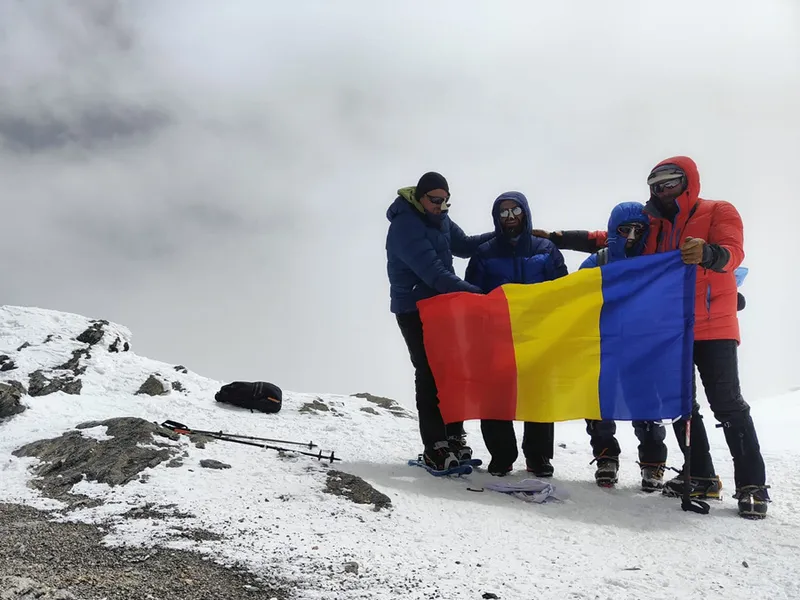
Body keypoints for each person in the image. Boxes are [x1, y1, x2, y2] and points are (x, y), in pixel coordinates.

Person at [535, 157, 770, 518]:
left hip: (713, 324)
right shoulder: (653, 225)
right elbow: (610, 238)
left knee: (727, 403)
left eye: (670, 181)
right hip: (671, 327)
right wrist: (557, 238)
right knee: (681, 405)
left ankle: (752, 486)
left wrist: (708, 253)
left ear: (688, 181)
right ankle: (703, 476)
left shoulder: (717, 210)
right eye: (655, 184)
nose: (662, 189)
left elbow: (733, 252)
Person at [386, 172, 494, 472]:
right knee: (430, 373)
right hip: (414, 309)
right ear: (420, 198)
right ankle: (435, 445)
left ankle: (453, 437)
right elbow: (434, 274)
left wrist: (505, 233)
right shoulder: (405, 226)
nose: (441, 206)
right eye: (435, 200)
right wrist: (480, 296)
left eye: (445, 201)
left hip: (440, 306)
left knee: (452, 370)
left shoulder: (440, 218)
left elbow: (465, 245)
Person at [464, 192, 568, 478]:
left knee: (538, 395)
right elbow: (472, 294)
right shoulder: (484, 252)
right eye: (504, 213)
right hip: (497, 335)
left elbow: (562, 290)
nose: (510, 218)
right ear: (497, 218)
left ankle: (538, 457)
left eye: (515, 211)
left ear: (525, 212)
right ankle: (502, 455)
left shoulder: (545, 248)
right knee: (496, 395)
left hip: (538, 334)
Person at [576, 201, 670, 492]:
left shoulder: (654, 260)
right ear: (613, 230)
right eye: (624, 229)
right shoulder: (597, 262)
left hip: (642, 346)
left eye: (637, 230)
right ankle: (606, 457)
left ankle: (653, 464)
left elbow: (672, 294)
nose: (631, 235)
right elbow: (575, 298)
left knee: (646, 406)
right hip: (604, 345)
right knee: (599, 405)